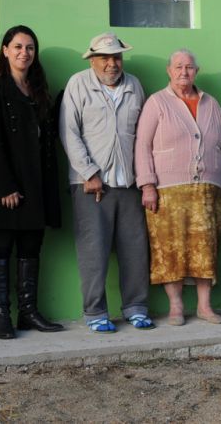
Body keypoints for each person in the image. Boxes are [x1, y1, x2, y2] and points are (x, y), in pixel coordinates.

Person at [59, 32, 155, 333]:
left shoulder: (134, 85)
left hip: (128, 182)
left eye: (116, 57)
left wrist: (144, 178)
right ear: (93, 60)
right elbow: (68, 132)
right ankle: (95, 312)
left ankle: (136, 308)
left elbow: (142, 135)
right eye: (105, 58)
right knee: (93, 250)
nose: (112, 63)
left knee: (136, 249)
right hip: (90, 184)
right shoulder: (78, 84)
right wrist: (88, 173)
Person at [0, 25, 63, 339]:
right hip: (5, 184)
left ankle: (28, 312)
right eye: (18, 47)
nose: (24, 53)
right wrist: (5, 185)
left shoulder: (38, 88)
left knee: (31, 246)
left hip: (36, 180)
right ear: (5, 50)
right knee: (0, 245)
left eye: (30, 48)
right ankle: (1, 316)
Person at [135, 49, 221, 326]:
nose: (184, 72)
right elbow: (142, 146)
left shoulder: (211, 103)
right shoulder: (157, 103)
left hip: (208, 189)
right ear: (168, 71)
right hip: (167, 190)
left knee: (206, 247)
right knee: (170, 248)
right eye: (178, 66)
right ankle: (176, 307)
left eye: (189, 67)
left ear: (196, 72)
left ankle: (204, 306)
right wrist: (147, 185)